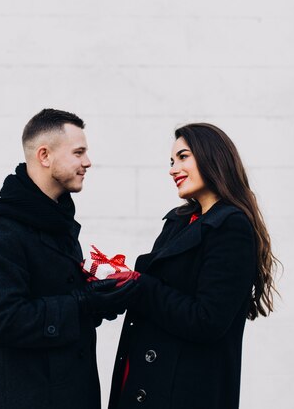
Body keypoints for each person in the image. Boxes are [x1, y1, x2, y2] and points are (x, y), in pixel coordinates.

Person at [0, 108, 137, 409]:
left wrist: (103, 299)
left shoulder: (55, 220)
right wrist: (85, 302)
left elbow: (58, 299)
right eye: (78, 152)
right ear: (44, 155)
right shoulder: (0, 228)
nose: (87, 162)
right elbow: (3, 321)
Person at [108, 122, 279, 409]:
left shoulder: (230, 226)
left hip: (183, 393)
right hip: (143, 382)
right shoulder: (180, 220)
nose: (173, 169)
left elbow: (208, 320)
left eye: (183, 157)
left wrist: (141, 285)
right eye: (172, 161)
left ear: (212, 156)